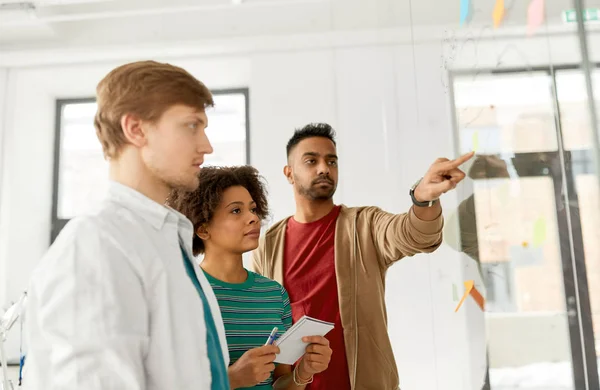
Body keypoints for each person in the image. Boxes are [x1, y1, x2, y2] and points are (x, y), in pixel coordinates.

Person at [24, 61, 230, 390]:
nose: (206, 145)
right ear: (135, 129)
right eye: (192, 126)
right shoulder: (96, 246)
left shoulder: (166, 237)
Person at [251, 123, 474, 389]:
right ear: (289, 173)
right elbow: (265, 325)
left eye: (331, 161)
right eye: (311, 160)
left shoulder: (364, 225)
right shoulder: (267, 245)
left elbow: (414, 234)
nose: (324, 168)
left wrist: (422, 199)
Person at [168, 165, 333, 390]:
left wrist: (303, 373)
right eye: (236, 211)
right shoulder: (183, 292)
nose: (253, 218)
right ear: (203, 229)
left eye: (253, 209)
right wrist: (233, 378)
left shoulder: (274, 294)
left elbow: (278, 383)